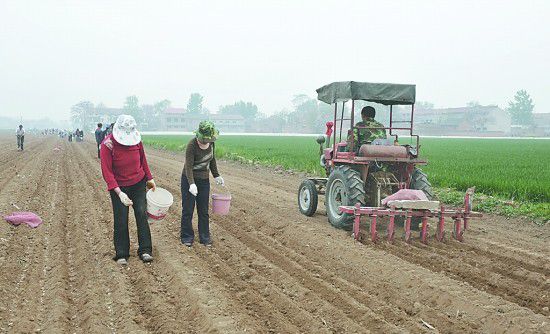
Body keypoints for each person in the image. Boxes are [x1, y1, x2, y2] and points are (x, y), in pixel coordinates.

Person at [100, 115, 156, 265]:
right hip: (119, 185)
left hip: (138, 182)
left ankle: (145, 250)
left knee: (141, 214)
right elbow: (107, 172)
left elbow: (143, 160)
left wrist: (150, 178)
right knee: (121, 218)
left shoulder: (137, 140)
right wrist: (119, 193)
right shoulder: (107, 145)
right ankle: (122, 253)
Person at [180, 121, 224, 247]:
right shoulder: (192, 145)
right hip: (189, 180)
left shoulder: (211, 144)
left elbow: (212, 159)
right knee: (188, 209)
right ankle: (186, 237)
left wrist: (216, 175)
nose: (207, 141)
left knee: (203, 211)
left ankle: (205, 237)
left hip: (204, 181)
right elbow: (188, 167)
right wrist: (191, 184)